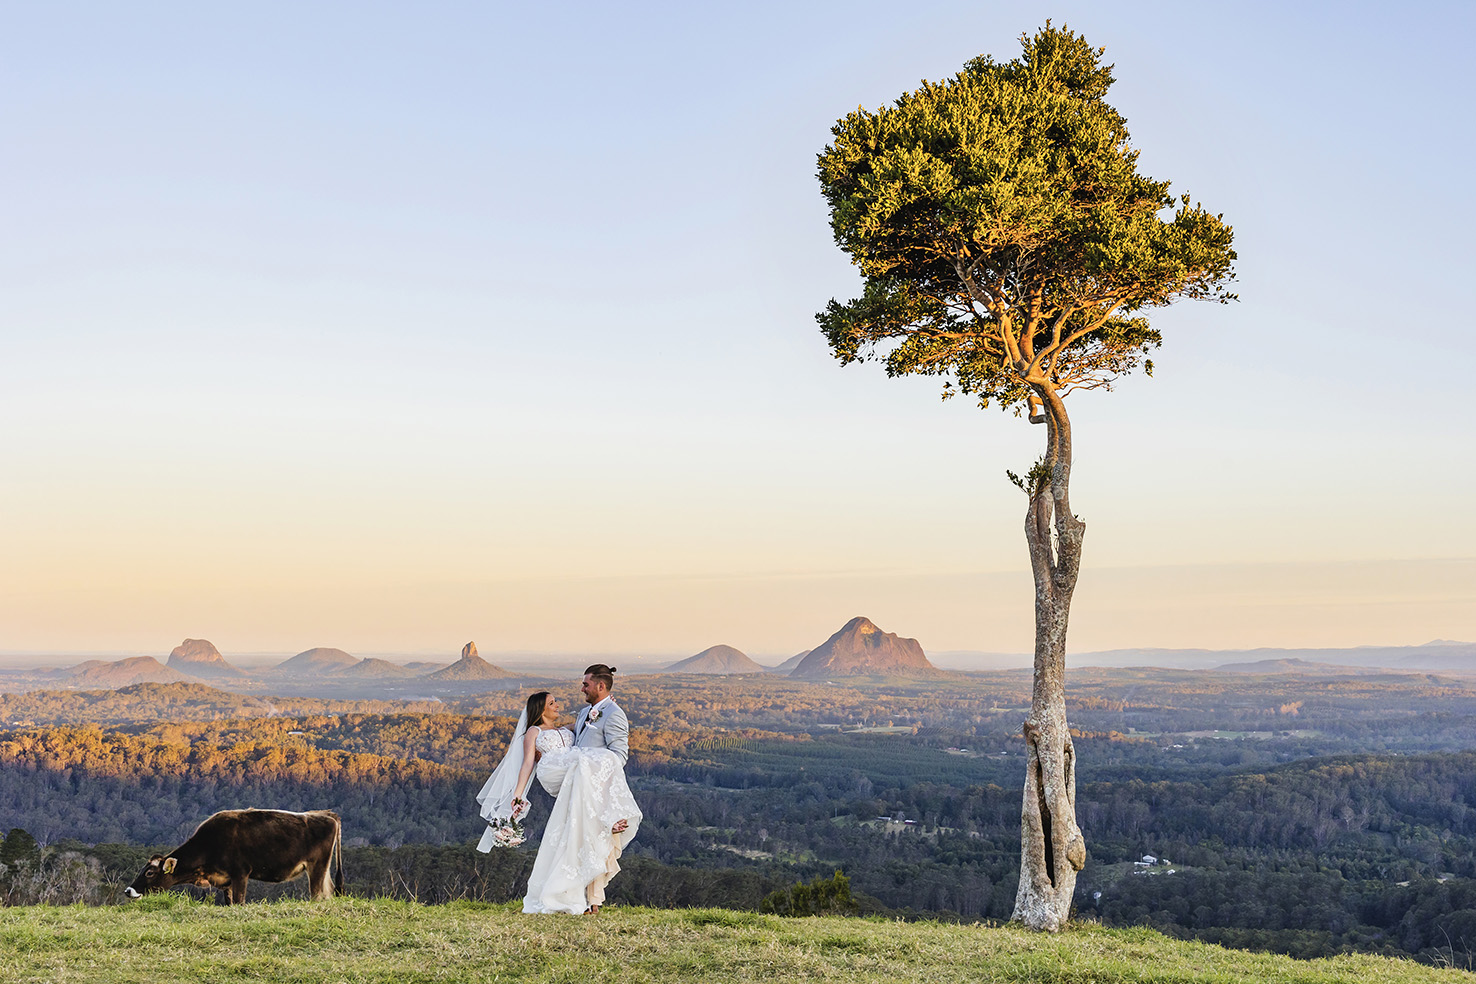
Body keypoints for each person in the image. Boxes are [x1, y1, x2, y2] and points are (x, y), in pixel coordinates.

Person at [473, 667, 641, 915]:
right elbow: (527, 764)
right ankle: (582, 890)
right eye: (553, 703)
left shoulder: (574, 725)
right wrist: (518, 794)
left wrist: (606, 707)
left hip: (583, 781)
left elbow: (611, 750)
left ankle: (586, 897)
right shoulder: (535, 731)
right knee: (581, 827)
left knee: (581, 835)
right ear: (541, 710)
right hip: (563, 773)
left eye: (586, 684)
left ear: (600, 687)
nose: (559, 703)